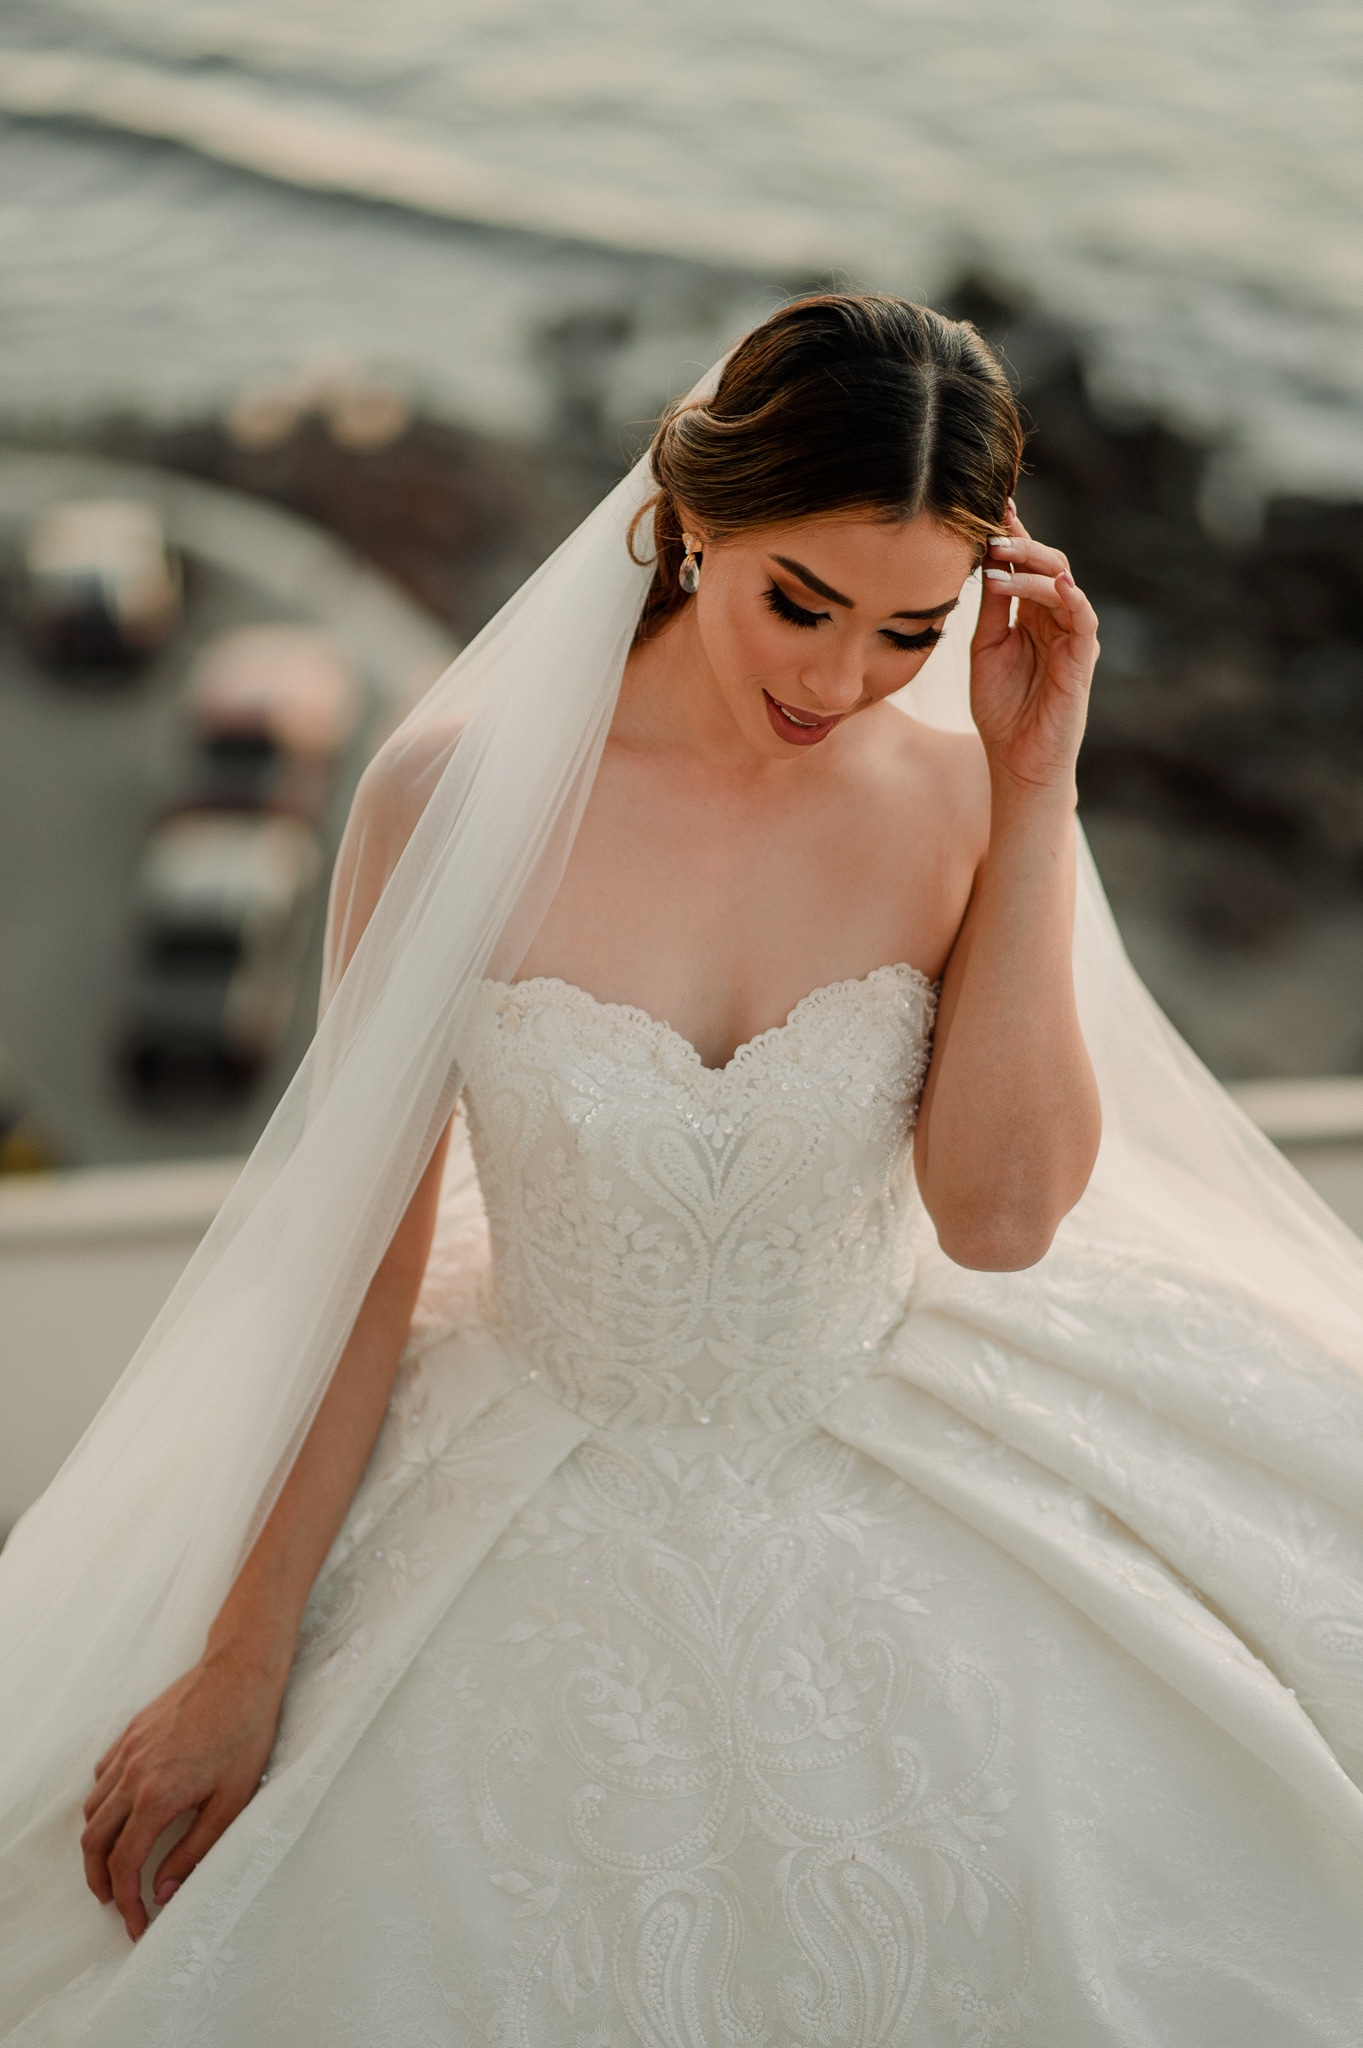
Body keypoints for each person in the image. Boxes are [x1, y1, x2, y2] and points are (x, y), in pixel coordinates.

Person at [2, 294, 1362, 2045]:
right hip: (526, 1460)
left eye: (908, 630)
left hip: (902, 1433)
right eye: (802, 601)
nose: (840, 677)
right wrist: (248, 1657)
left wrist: (1037, 795)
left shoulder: (962, 798)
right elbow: (364, 1256)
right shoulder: (454, 798)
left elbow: (1003, 1221)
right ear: (696, 510)